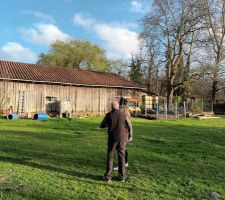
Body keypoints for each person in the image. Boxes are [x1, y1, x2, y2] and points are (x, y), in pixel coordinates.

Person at [100, 101, 129, 182]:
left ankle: (108, 177)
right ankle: (122, 177)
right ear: (118, 106)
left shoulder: (108, 115)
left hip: (112, 139)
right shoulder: (123, 114)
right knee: (122, 157)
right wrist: (130, 135)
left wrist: (108, 124)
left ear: (111, 107)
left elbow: (101, 125)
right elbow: (128, 125)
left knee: (110, 157)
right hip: (122, 139)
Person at [114, 97, 133, 171]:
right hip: (126, 132)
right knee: (124, 148)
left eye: (119, 103)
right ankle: (125, 162)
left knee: (121, 149)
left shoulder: (123, 111)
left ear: (121, 104)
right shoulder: (127, 110)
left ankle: (121, 165)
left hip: (123, 132)